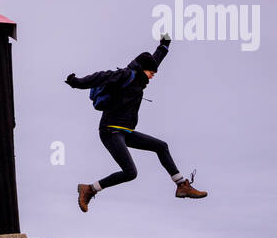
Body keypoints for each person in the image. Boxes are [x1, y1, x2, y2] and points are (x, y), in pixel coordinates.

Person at [65, 35, 207, 212]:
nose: (153, 75)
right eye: (151, 72)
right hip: (110, 131)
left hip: (126, 132)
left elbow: (154, 61)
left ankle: (181, 186)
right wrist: (77, 83)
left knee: (161, 146)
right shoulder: (124, 75)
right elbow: (100, 77)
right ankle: (89, 189)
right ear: (143, 69)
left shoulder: (140, 79)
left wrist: (164, 45)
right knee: (130, 172)